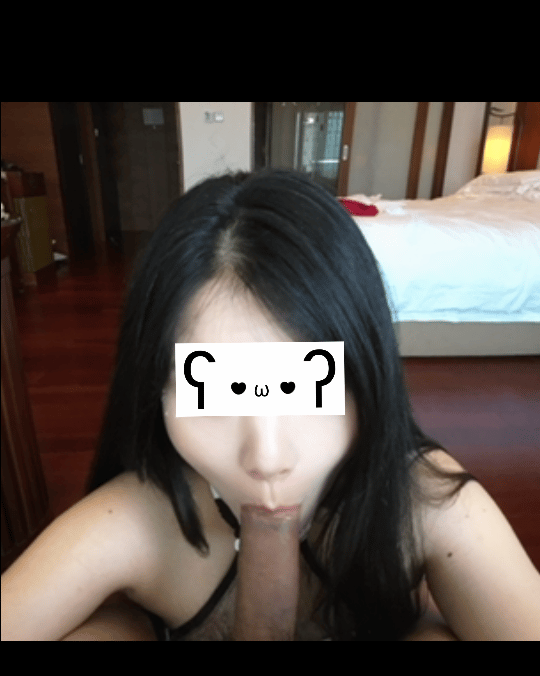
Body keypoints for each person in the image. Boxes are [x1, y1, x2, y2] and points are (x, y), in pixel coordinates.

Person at [2, 169, 539, 640]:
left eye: (308, 384)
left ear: (367, 373)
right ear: (154, 390)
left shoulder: (425, 504)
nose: (268, 457)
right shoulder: (140, 519)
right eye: (215, 391)